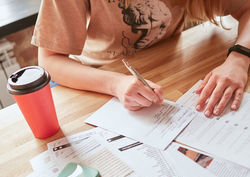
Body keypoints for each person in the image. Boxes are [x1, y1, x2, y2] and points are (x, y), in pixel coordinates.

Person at [32, 0, 250, 117]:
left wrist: (239, 58)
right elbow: (50, 60)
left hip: (168, 68)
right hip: (93, 81)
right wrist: (116, 83)